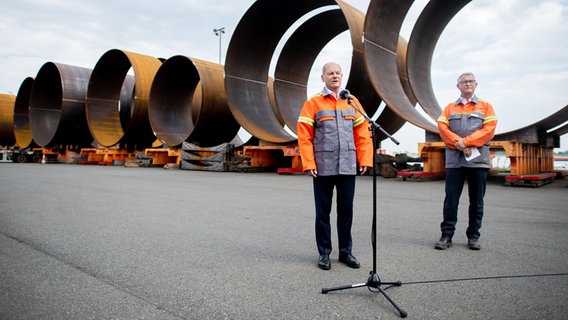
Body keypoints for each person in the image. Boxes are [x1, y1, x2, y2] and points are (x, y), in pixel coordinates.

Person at [297, 62, 374, 270]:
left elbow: (363, 133)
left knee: (346, 212)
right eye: (330, 73)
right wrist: (309, 163)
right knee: (323, 213)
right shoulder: (313, 103)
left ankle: (345, 252)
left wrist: (365, 159)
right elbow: (304, 137)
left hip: (348, 166)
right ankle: (324, 253)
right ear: (323, 78)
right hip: (322, 166)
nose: (335, 76)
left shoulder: (351, 101)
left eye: (338, 73)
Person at [435, 72, 498, 250]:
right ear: (458, 86)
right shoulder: (449, 108)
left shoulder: (486, 107)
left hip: (478, 161)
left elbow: (489, 130)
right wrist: (460, 144)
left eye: (470, 81)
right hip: (455, 160)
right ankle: (446, 235)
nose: (467, 84)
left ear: (476, 85)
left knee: (476, 200)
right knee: (451, 200)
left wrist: (467, 142)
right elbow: (442, 128)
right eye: (464, 82)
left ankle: (473, 236)